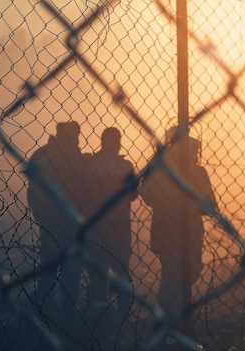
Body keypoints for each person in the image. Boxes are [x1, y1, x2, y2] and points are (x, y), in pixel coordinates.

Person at [139, 128, 217, 315]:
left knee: (183, 270)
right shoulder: (161, 168)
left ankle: (171, 315)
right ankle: (171, 315)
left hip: (181, 228)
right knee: (175, 273)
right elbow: (146, 192)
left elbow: (210, 205)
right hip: (173, 227)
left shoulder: (194, 172)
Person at [27, 121, 90, 318]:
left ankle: (45, 304)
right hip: (68, 219)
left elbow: (32, 188)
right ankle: (67, 309)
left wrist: (39, 211)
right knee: (71, 266)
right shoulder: (74, 157)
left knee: (50, 261)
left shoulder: (41, 154)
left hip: (48, 217)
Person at [85, 127, 137, 322]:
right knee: (122, 269)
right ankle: (123, 310)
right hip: (120, 225)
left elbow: (84, 195)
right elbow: (133, 195)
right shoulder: (125, 166)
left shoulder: (91, 165)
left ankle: (97, 309)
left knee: (98, 269)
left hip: (97, 224)